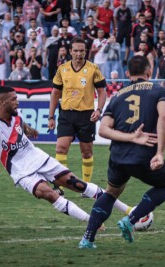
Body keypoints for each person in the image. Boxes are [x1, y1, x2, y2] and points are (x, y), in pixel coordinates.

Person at [0, 63, 131, 227]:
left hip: (37, 157)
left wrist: (29, 129)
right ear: (1, 102)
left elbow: (20, 125)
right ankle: (92, 222)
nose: (17, 102)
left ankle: (128, 209)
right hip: (20, 171)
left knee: (77, 184)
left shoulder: (16, 115)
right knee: (48, 194)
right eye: (13, 99)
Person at [78, 55, 165, 249]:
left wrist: (130, 136)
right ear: (149, 72)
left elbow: (103, 130)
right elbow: (164, 117)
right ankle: (130, 220)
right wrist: (160, 153)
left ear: (128, 74)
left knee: (112, 192)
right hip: (144, 156)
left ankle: (87, 239)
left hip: (117, 156)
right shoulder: (159, 90)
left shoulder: (118, 96)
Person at [48, 37, 107, 184]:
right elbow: (55, 93)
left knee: (86, 152)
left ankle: (86, 185)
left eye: (81, 51)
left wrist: (99, 110)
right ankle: (62, 185)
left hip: (87, 115)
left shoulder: (93, 69)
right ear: (70, 51)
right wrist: (51, 117)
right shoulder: (62, 69)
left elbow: (102, 91)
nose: (79, 54)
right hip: (66, 114)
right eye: (75, 51)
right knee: (61, 149)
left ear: (86, 51)